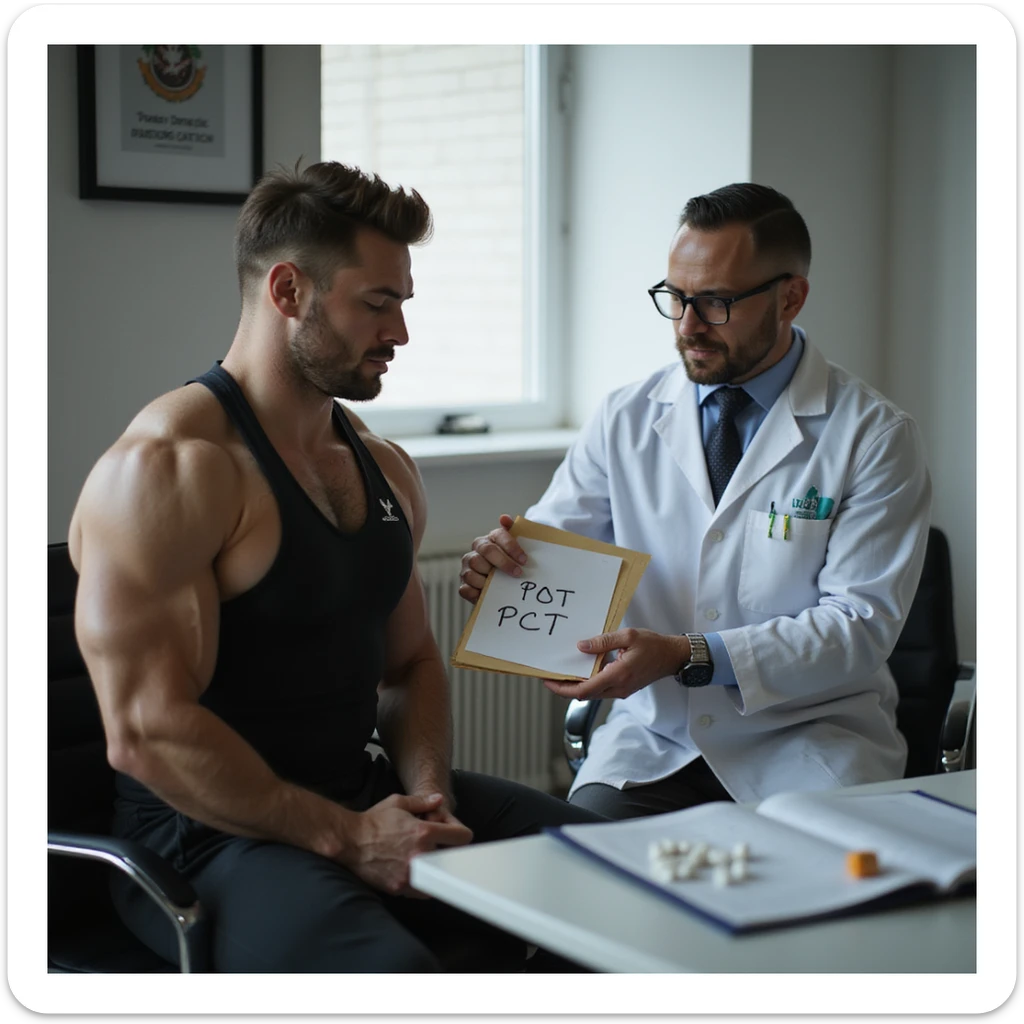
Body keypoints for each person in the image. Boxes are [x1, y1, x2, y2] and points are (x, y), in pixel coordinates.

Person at [68, 160, 602, 973]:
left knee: (629, 878)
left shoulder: (384, 466)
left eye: (402, 304)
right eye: (376, 304)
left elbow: (411, 661)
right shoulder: (169, 469)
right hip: (206, 842)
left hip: (361, 794)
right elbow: (144, 733)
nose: (400, 333)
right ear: (289, 292)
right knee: (402, 979)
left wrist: (428, 807)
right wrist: (351, 838)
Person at [459, 183, 932, 821]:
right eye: (676, 297)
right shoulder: (626, 416)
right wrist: (505, 566)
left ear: (790, 296)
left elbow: (859, 627)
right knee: (593, 877)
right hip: (655, 743)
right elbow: (554, 548)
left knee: (785, 896)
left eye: (715, 302)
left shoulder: (872, 435)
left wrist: (690, 655)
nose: (687, 326)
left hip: (806, 745)